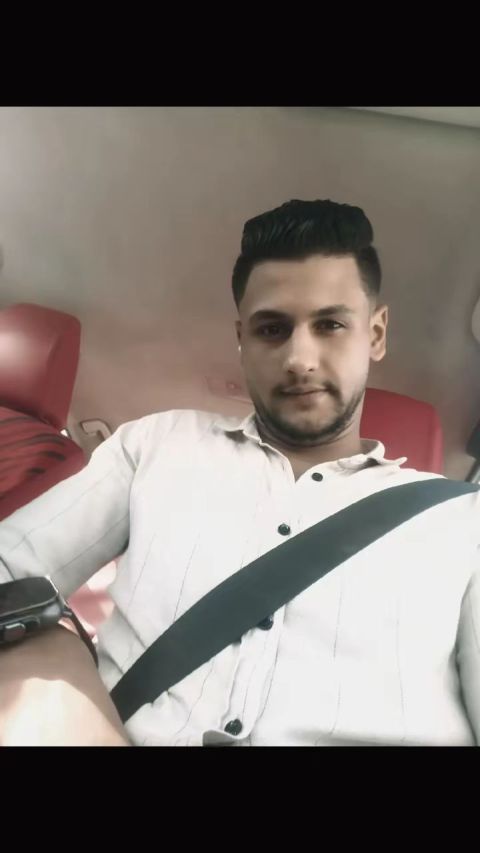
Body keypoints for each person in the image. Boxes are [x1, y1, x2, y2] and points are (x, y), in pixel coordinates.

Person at [0, 199, 479, 746]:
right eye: (272, 329)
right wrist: (55, 670)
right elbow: (10, 564)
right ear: (241, 340)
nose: (300, 358)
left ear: (375, 334)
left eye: (330, 325)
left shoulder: (463, 520)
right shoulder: (155, 446)